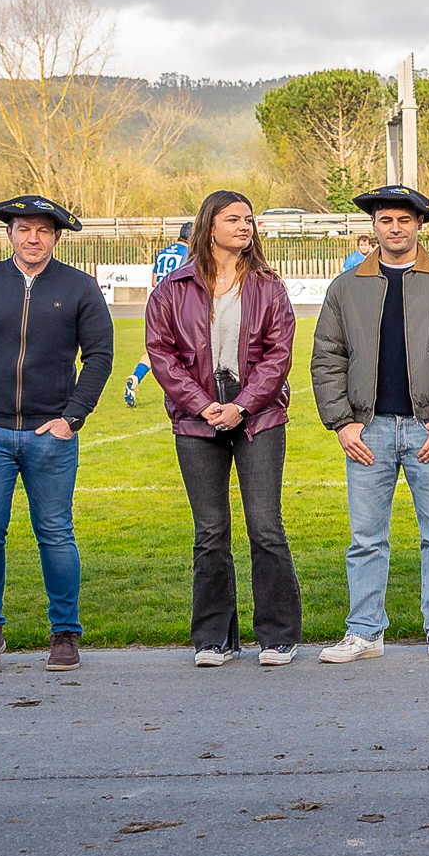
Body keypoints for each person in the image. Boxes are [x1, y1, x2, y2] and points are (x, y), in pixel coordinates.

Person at [0, 196, 114, 673]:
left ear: (56, 237)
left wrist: (72, 417)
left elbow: (99, 355)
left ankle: (64, 634)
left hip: (50, 433)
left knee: (56, 534)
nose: (32, 238)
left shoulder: (79, 287)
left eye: (42, 230)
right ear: (9, 234)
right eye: (23, 229)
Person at [312, 185, 429, 665]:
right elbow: (327, 359)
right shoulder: (347, 287)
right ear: (374, 226)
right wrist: (343, 423)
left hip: (428, 428)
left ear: (419, 226)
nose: (395, 228)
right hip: (366, 430)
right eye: (386, 220)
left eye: (404, 221)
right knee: (366, 538)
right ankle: (365, 631)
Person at [144, 191, 304, 667]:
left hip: (259, 419)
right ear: (208, 227)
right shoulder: (172, 288)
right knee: (210, 531)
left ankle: (279, 635)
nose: (244, 226)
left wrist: (241, 407)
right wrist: (203, 405)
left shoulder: (269, 287)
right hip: (197, 421)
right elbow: (162, 354)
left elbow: (279, 356)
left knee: (265, 528)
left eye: (249, 219)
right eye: (232, 219)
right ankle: (214, 638)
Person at [125, 221, 194, 406]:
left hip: (157, 304)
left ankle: (136, 376)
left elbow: (154, 280)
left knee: (157, 348)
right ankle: (181, 391)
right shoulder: (189, 254)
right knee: (186, 349)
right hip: (178, 305)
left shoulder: (164, 252)